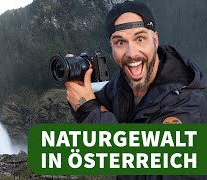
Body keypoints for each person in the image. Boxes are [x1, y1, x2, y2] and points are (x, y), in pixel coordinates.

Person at [65, 1, 207, 179]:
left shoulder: (186, 100)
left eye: (140, 39)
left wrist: (88, 109)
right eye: (120, 42)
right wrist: (77, 81)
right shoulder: (122, 81)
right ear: (112, 47)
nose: (131, 53)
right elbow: (96, 106)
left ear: (155, 40)